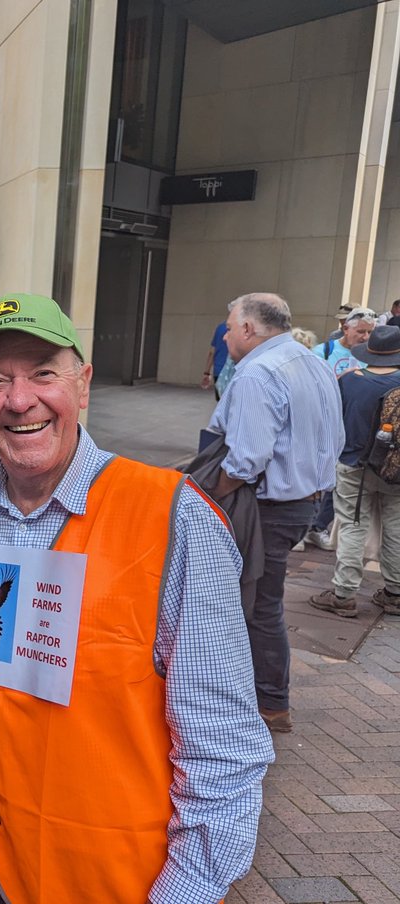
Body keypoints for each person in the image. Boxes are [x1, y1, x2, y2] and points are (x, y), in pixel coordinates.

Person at [0, 293, 272, 904]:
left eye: (43, 373)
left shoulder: (172, 518)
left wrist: (187, 890)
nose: (20, 400)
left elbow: (223, 741)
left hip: (117, 881)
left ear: (83, 384)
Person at [209, 292, 342, 733]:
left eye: (230, 326)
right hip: (306, 500)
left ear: (248, 329)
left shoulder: (257, 374)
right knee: (258, 602)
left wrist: (211, 495)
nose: (226, 334)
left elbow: (245, 459)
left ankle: (269, 704)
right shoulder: (313, 361)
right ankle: (261, 696)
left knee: (256, 607)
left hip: (268, 507)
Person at [308, 324, 400, 617]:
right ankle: (395, 592)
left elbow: (333, 423)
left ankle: (344, 594)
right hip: (395, 470)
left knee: (352, 525)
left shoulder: (350, 381)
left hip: (353, 466)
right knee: (395, 528)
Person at [314, 307, 375, 378]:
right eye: (360, 332)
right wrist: (341, 378)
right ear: (345, 329)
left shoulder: (372, 355)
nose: (366, 337)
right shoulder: (321, 352)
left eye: (370, 332)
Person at [201, 320, 229, 399]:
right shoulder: (242, 328)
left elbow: (212, 352)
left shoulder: (220, 328)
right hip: (235, 371)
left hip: (219, 371)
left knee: (221, 403)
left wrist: (207, 372)